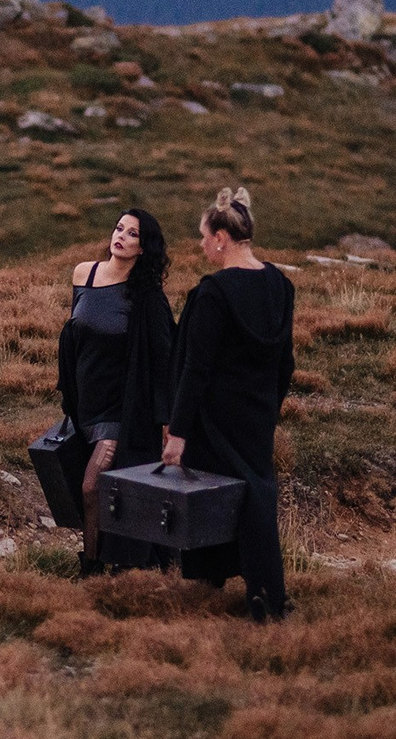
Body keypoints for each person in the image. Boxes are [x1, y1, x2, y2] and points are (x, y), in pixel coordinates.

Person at [163, 186, 295, 620]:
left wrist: (177, 430)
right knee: (253, 492)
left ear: (222, 237)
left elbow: (195, 368)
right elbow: (285, 362)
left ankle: (266, 600)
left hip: (215, 417)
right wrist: (269, 410)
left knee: (227, 494)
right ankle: (224, 581)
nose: (201, 245)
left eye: (204, 236)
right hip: (256, 413)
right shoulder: (280, 284)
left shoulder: (213, 294)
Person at [56, 209, 177, 577]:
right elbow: (77, 334)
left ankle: (91, 568)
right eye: (119, 228)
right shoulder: (84, 273)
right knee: (92, 488)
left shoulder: (146, 299)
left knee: (93, 485)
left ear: (143, 249)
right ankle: (118, 559)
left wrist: (168, 422)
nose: (121, 236)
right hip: (85, 404)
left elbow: (164, 359)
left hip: (121, 409)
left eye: (133, 234)